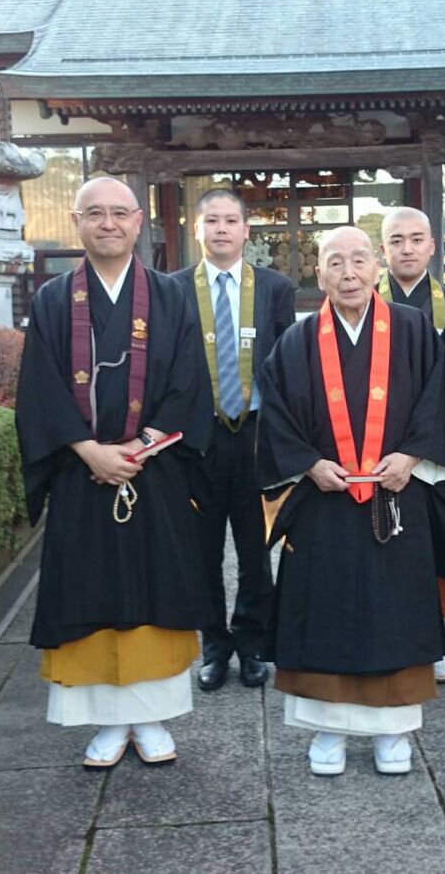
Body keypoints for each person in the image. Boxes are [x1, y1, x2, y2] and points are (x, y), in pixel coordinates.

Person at [14, 176, 213, 769]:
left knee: (156, 588)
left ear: (138, 222)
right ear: (76, 222)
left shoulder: (172, 296)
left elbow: (189, 382)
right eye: (95, 213)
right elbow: (39, 389)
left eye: (119, 213)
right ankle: (105, 721)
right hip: (82, 474)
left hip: (155, 470)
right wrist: (88, 451)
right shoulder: (53, 300)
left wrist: (140, 447)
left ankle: (151, 718)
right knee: (89, 589)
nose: (108, 224)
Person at [256, 225, 445, 776]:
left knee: (396, 608)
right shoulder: (296, 341)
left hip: (396, 494)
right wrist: (308, 464)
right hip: (322, 501)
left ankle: (394, 731)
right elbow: (275, 415)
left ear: (376, 267)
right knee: (323, 608)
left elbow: (439, 399)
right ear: (317, 273)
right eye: (335, 262)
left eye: (358, 260)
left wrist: (410, 457)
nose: (348, 273)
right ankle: (328, 730)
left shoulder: (414, 330)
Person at [171, 188, 296, 692]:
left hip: (256, 434)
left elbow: (287, 363)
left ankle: (252, 644)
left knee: (255, 547)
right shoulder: (173, 288)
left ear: (247, 230)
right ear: (196, 229)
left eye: (230, 221)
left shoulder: (274, 287)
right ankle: (214, 648)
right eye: (212, 221)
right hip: (198, 438)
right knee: (201, 550)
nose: (221, 229)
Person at [376, 207, 445, 684]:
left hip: (442, 446)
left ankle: (441, 641)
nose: (407, 249)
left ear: (433, 246)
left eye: (417, 239)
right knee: (389, 544)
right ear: (383, 250)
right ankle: (393, 634)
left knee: (443, 543)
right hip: (382, 447)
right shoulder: (364, 300)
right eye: (397, 241)